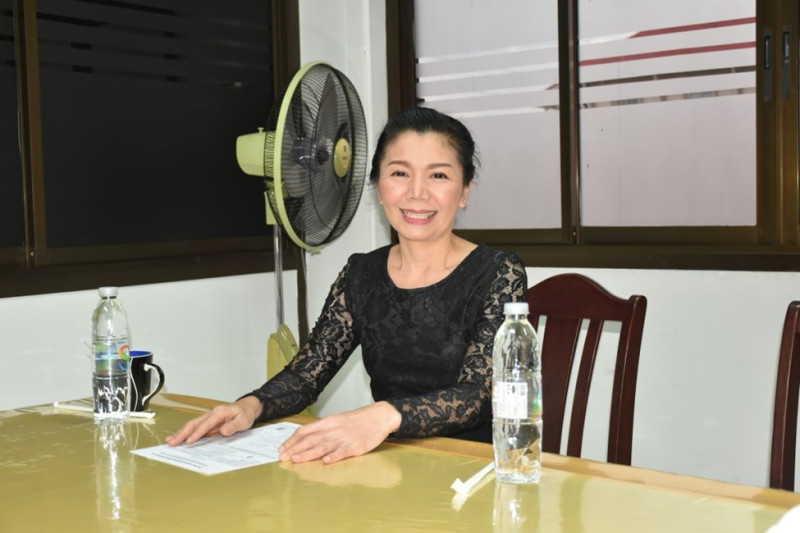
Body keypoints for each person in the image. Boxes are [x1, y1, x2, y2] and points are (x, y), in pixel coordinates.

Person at [166, 107, 527, 464]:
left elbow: (478, 395)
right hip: (390, 461)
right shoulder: (361, 273)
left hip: (474, 466)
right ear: (379, 188)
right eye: (400, 173)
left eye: (438, 176)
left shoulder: (498, 272)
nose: (417, 192)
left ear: (464, 191)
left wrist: (384, 415)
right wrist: (250, 406)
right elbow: (307, 375)